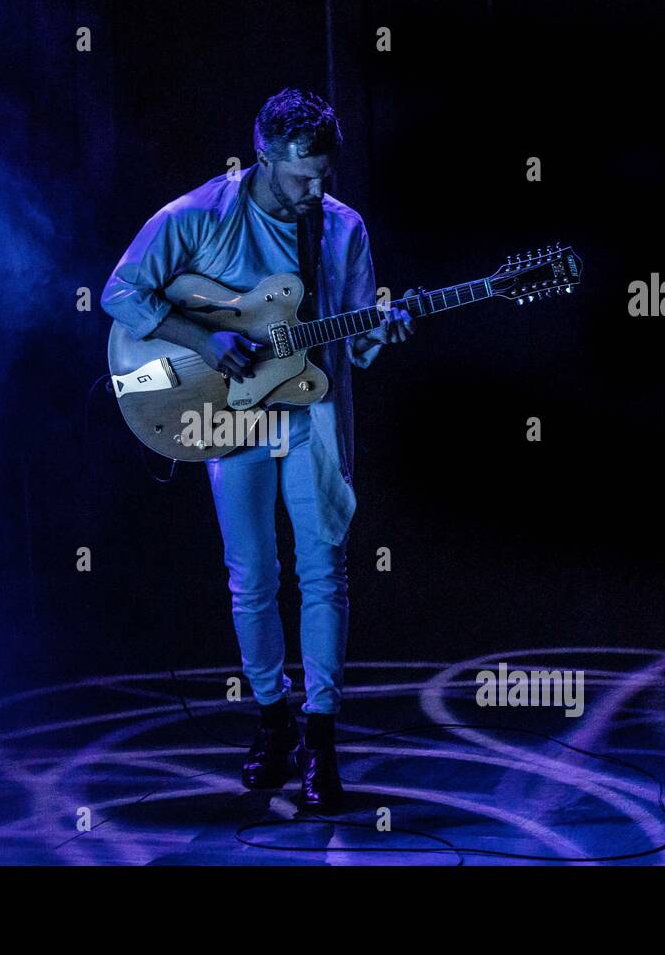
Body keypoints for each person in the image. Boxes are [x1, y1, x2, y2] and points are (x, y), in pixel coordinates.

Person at [100, 88, 412, 812]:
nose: (315, 190)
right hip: (227, 412)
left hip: (314, 415)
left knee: (325, 571)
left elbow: (354, 337)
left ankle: (323, 738)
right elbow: (121, 291)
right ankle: (273, 720)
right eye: (301, 176)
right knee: (252, 575)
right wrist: (205, 339)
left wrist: (382, 332)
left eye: (325, 175)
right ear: (263, 157)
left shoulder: (343, 228)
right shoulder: (200, 214)